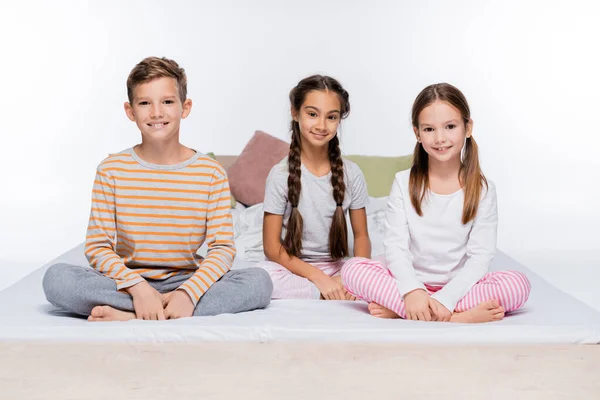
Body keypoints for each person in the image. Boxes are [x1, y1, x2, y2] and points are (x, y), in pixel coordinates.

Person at [43, 56, 273, 321]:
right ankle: (154, 309)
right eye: (144, 103)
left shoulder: (210, 173)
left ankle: (133, 315)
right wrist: (139, 289)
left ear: (184, 107)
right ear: (130, 111)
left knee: (259, 282)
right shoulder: (111, 170)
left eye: (167, 102)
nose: (156, 113)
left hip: (186, 281)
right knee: (57, 279)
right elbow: (98, 247)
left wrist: (189, 293)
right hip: (126, 282)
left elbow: (222, 249)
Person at [342, 83, 530, 323]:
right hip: (407, 283)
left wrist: (446, 298)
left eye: (450, 127)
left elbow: (480, 257)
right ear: (417, 134)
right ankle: (449, 317)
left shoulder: (483, 189)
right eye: (429, 129)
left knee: (517, 286)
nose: (440, 138)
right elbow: (396, 247)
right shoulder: (403, 182)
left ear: (467, 127)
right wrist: (413, 291)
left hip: (460, 289)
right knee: (352, 270)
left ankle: (411, 312)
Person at [256, 75, 371, 300]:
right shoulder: (280, 175)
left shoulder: (352, 173)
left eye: (331, 117)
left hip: (340, 269)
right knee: (262, 276)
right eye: (312, 114)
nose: (321, 125)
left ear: (339, 120)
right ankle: (326, 292)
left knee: (388, 264)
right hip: (295, 270)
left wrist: (358, 273)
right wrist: (319, 278)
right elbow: (272, 248)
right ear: (295, 112)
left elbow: (361, 237)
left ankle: (341, 288)